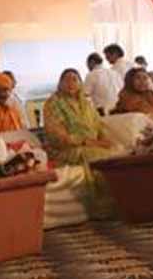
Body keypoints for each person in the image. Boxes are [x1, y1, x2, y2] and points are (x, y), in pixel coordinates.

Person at [42, 69, 117, 218]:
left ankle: (118, 202)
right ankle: (101, 206)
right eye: (66, 80)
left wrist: (104, 140)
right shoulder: (52, 104)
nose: (70, 83)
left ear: (80, 83)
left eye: (74, 79)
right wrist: (84, 141)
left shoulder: (86, 104)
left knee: (117, 152)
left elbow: (99, 125)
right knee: (97, 156)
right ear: (60, 84)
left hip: (91, 144)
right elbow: (56, 135)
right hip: (66, 150)